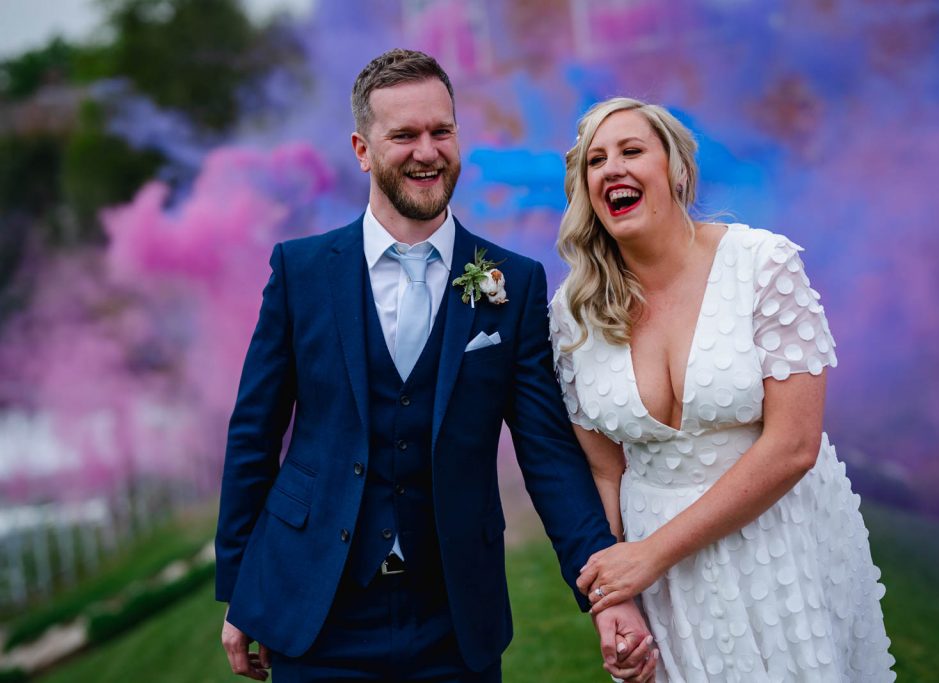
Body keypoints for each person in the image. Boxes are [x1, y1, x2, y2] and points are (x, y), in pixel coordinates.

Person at [215, 51, 657, 683]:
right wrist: (240, 588)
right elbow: (253, 437)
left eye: (441, 131)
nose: (428, 151)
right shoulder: (301, 272)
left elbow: (548, 453)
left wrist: (604, 590)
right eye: (404, 135)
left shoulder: (516, 283)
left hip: (454, 616)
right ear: (363, 150)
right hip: (314, 610)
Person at [548, 97, 896, 681]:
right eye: (595, 160)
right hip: (661, 587)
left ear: (677, 170)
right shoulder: (574, 312)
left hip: (779, 549)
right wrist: (616, 605)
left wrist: (648, 556)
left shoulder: (763, 265)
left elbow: (793, 445)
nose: (613, 168)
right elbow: (605, 473)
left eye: (632, 151)